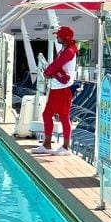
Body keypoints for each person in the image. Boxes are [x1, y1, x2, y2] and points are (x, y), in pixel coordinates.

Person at [33, 27, 78, 156]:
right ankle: (47, 145)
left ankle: (65, 147)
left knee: (64, 117)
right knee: (47, 115)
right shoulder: (64, 49)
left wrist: (47, 72)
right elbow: (55, 65)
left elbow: (56, 64)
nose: (56, 37)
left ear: (65, 38)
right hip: (55, 88)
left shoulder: (69, 51)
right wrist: (49, 72)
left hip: (64, 90)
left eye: (58, 36)